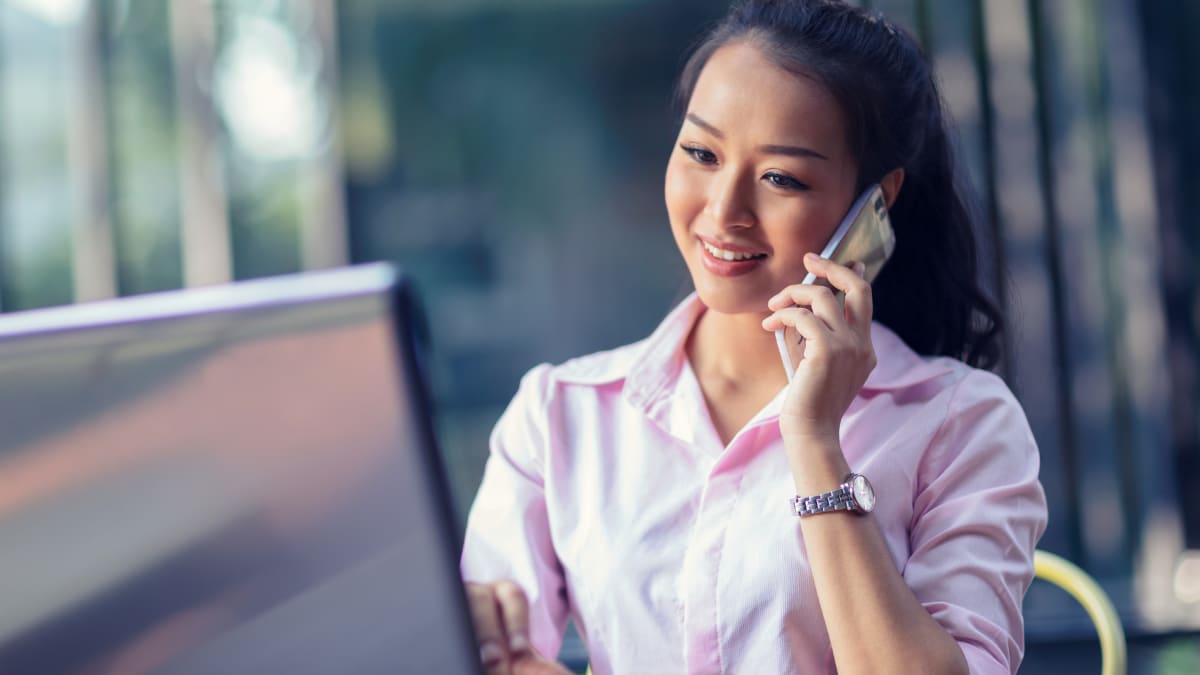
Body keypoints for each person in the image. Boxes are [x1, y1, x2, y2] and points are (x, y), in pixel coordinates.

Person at [460, 0, 1048, 673]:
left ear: (875, 202)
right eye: (701, 153)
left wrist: (815, 439)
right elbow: (486, 650)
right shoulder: (561, 414)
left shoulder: (963, 422)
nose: (722, 210)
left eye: (780, 178)